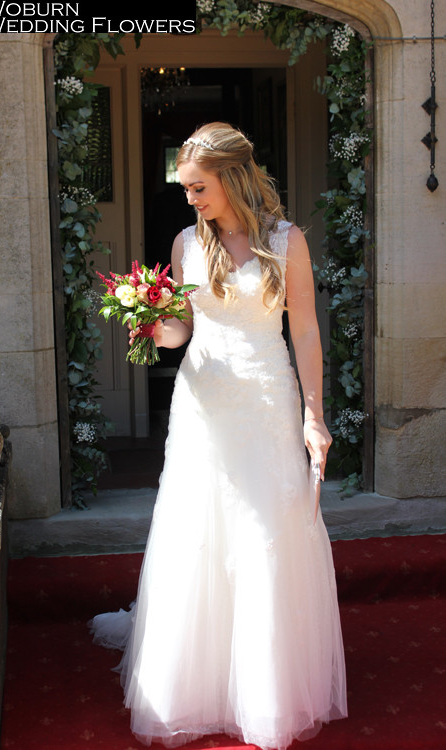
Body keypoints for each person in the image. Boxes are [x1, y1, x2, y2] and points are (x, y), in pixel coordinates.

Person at [90, 122, 347, 750]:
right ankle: (197, 681)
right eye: (185, 189)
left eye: (198, 188)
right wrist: (150, 325)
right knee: (199, 529)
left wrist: (313, 415)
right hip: (202, 404)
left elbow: (306, 332)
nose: (190, 200)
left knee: (266, 530)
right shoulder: (185, 243)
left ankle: (266, 688)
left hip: (264, 398)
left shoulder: (286, 242)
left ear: (231, 178)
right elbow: (182, 332)